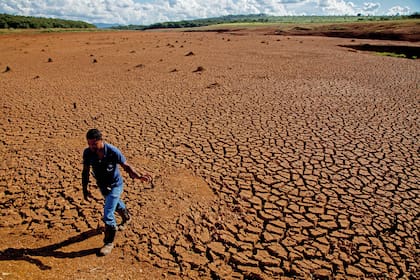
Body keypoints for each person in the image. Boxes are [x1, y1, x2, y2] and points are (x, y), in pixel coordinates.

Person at [82, 128, 151, 256]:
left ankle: (109, 243)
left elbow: (126, 166)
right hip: (102, 185)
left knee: (108, 213)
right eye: (89, 143)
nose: (91, 146)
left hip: (115, 185)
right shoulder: (88, 153)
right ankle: (127, 217)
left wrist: (138, 176)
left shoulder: (113, 151)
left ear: (100, 140)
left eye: (94, 144)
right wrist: (85, 189)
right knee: (115, 204)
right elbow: (85, 171)